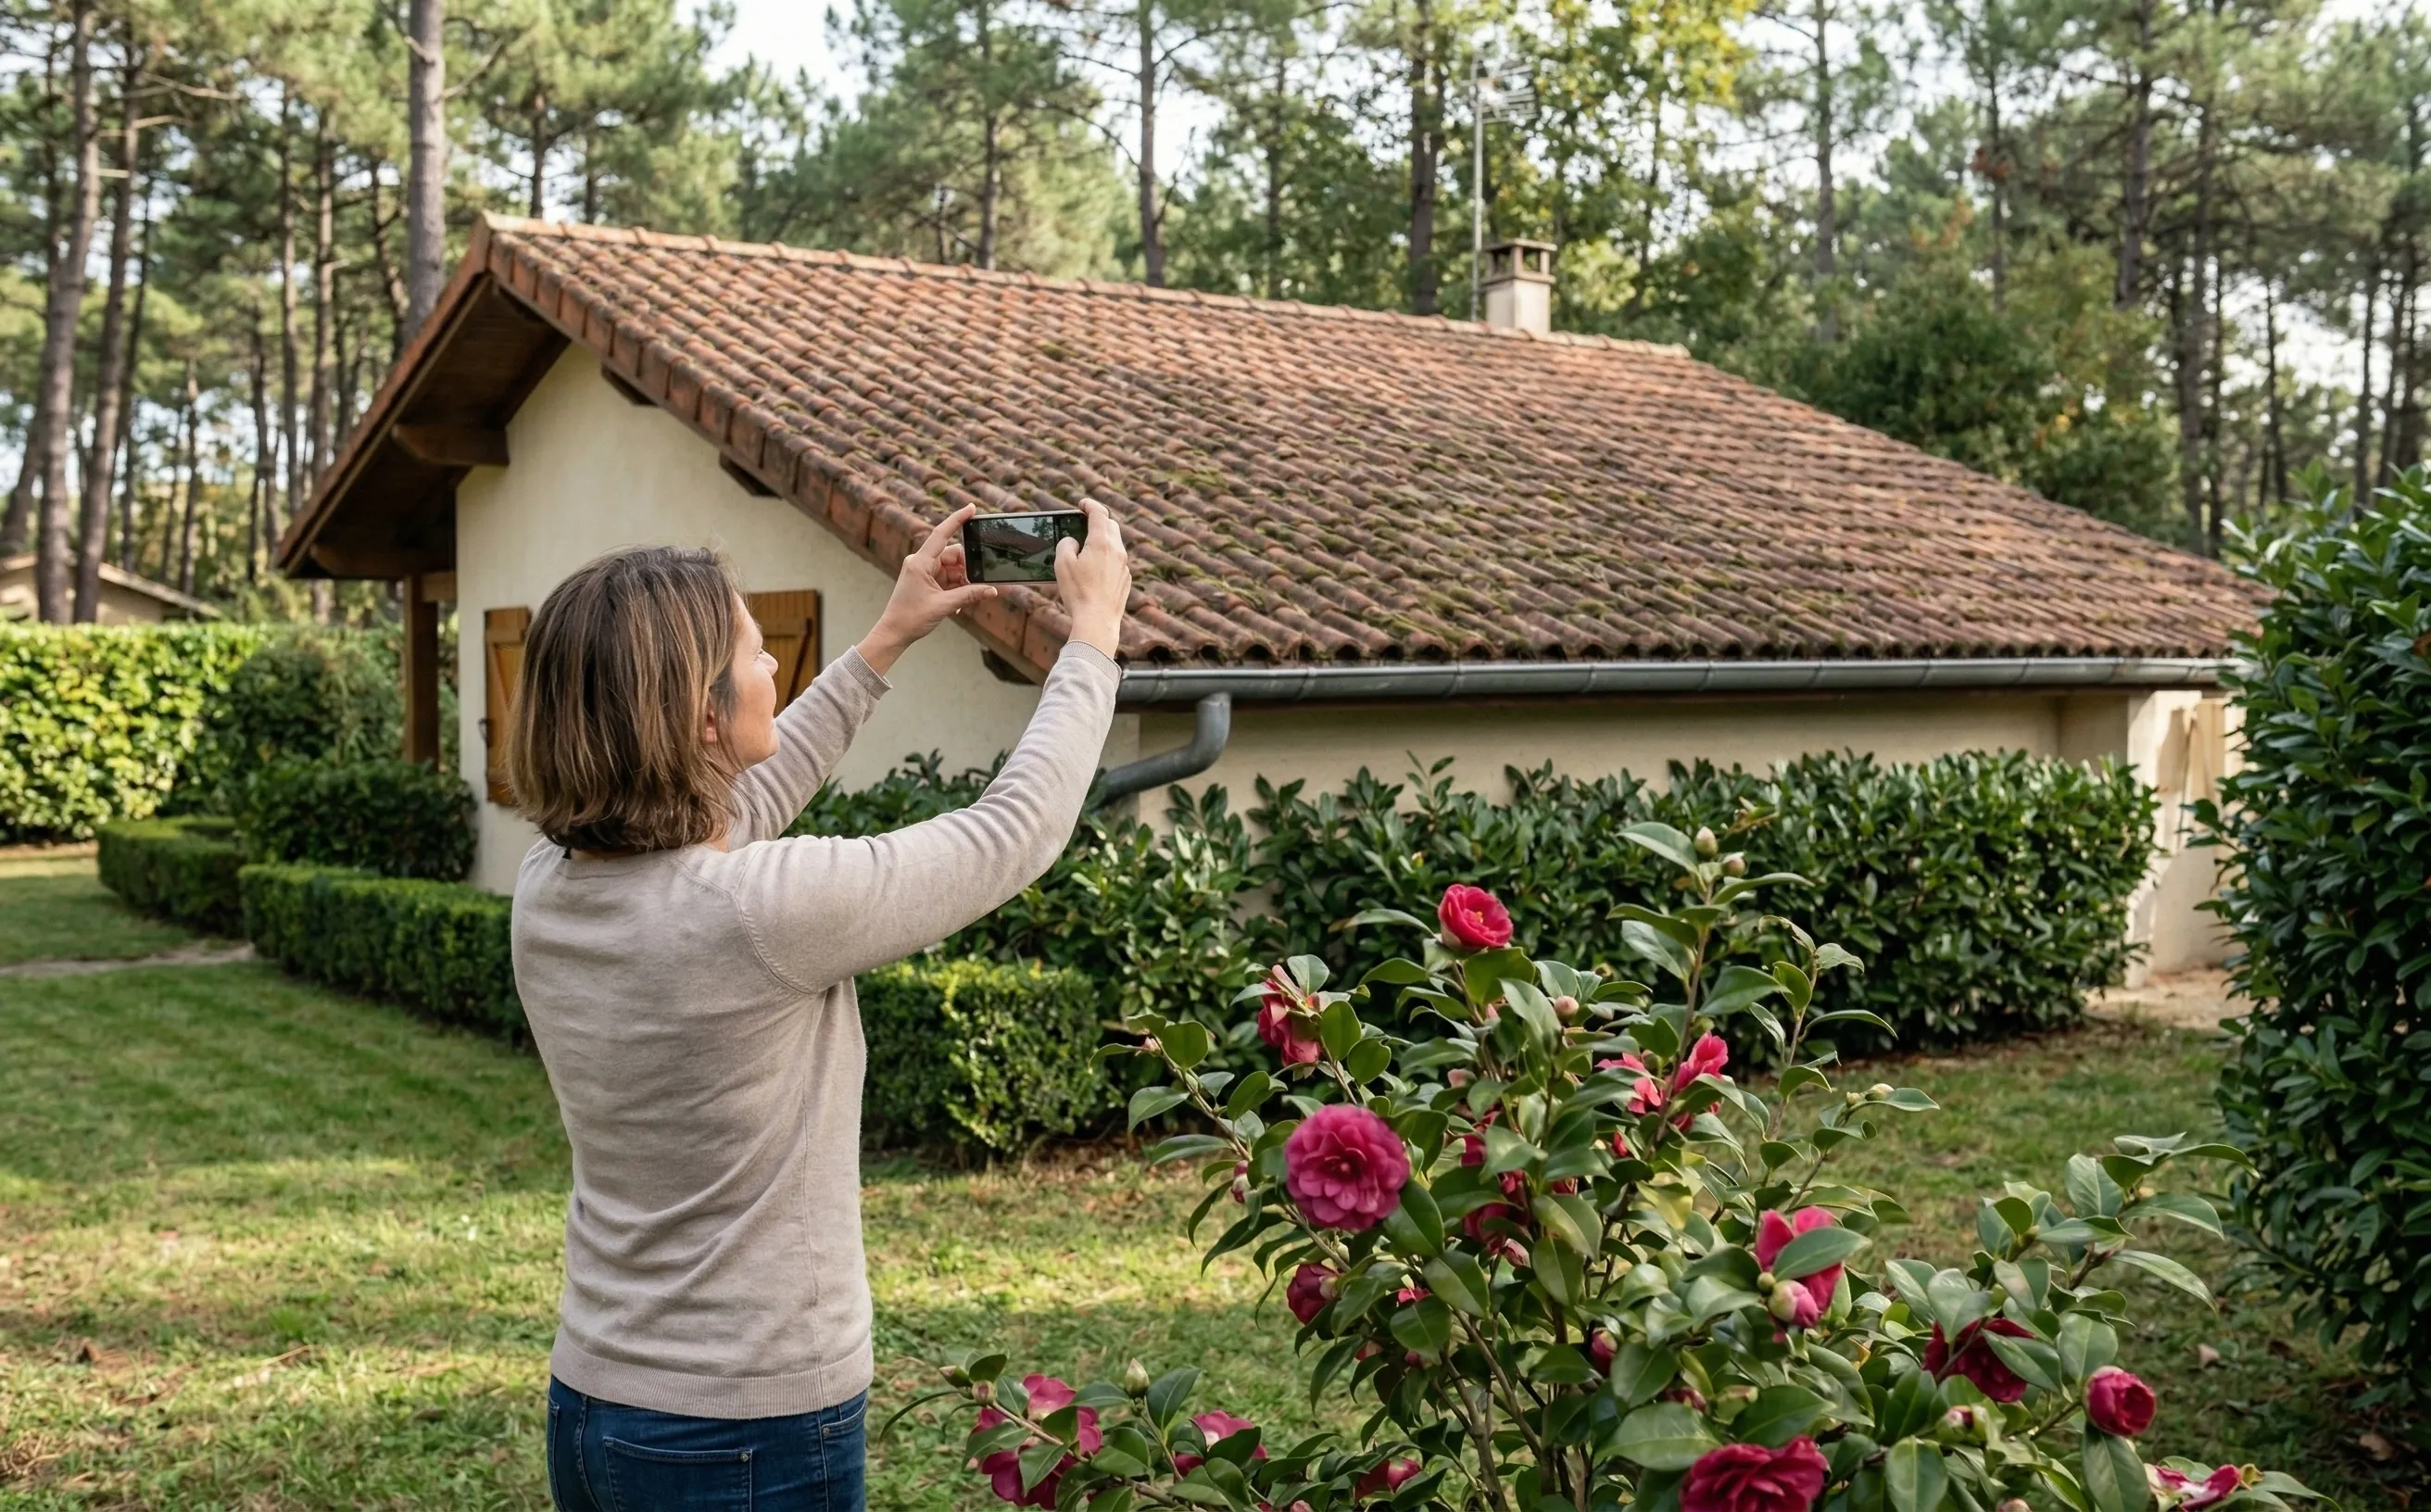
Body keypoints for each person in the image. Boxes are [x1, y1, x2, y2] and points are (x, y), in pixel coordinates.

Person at [507, 499, 1129, 1511]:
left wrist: (892, 635)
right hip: (743, 1429)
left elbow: (727, 807)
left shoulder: (551, 885)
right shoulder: (751, 915)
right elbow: (1012, 831)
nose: (772, 671)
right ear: (701, 717)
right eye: (756, 655)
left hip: (596, 1404)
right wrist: (1092, 639)